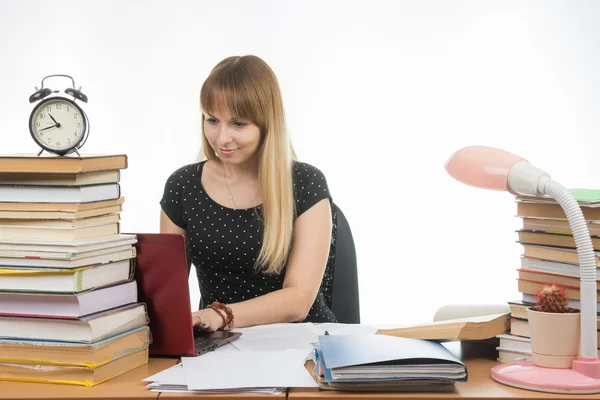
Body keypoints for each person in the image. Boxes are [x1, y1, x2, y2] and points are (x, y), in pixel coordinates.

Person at [159, 55, 337, 332]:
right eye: (212, 120)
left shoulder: (305, 183)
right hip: (219, 346)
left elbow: (298, 301)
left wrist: (220, 315)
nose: (222, 138)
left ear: (268, 124)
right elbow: (167, 293)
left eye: (238, 124)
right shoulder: (183, 185)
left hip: (303, 344)